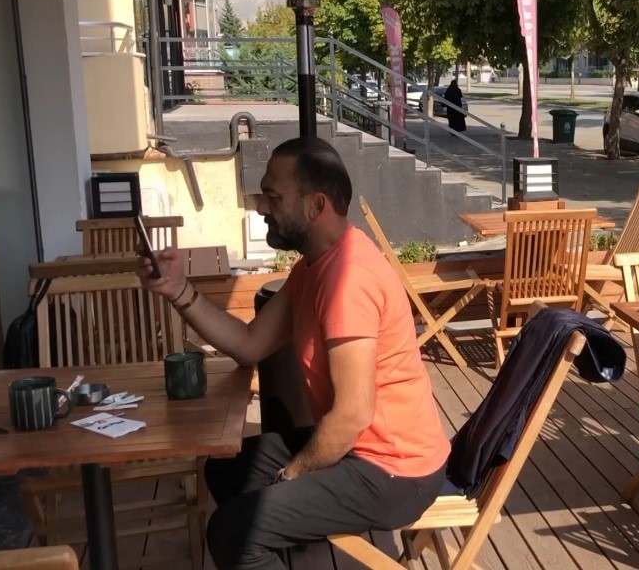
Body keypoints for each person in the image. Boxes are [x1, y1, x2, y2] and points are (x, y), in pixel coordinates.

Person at [137, 137, 450, 570]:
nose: (262, 208)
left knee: (232, 532)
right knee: (228, 471)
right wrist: (179, 290)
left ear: (315, 205)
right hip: (360, 449)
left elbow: (352, 415)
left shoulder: (348, 281)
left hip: (395, 470)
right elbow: (250, 345)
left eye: (272, 196)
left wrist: (292, 476)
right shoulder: (313, 267)